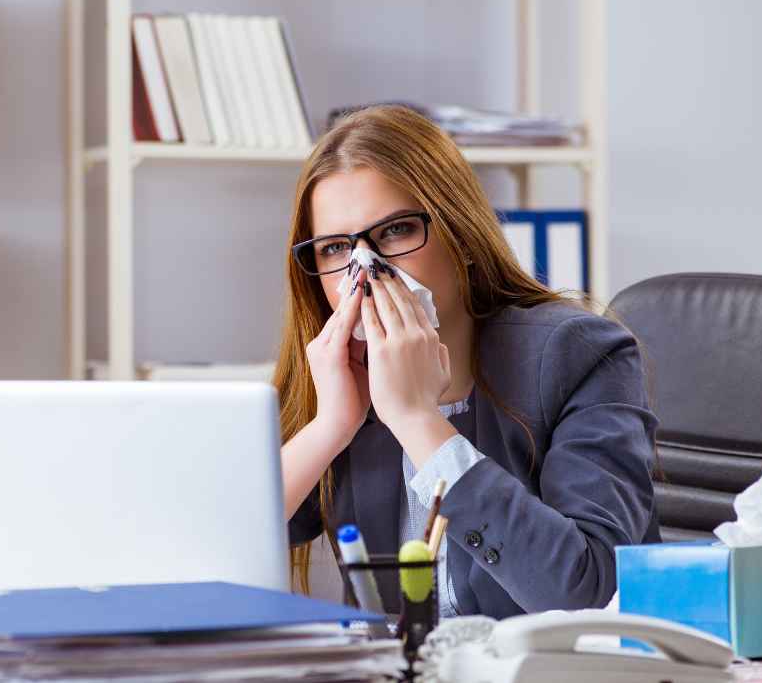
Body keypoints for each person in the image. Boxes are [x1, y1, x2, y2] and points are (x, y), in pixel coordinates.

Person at [276, 105, 659, 619]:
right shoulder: (335, 378)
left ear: (461, 233)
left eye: (395, 232)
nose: (365, 270)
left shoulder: (580, 354)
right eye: (335, 247)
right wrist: (331, 425)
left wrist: (417, 420)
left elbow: (582, 593)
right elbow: (206, 549)